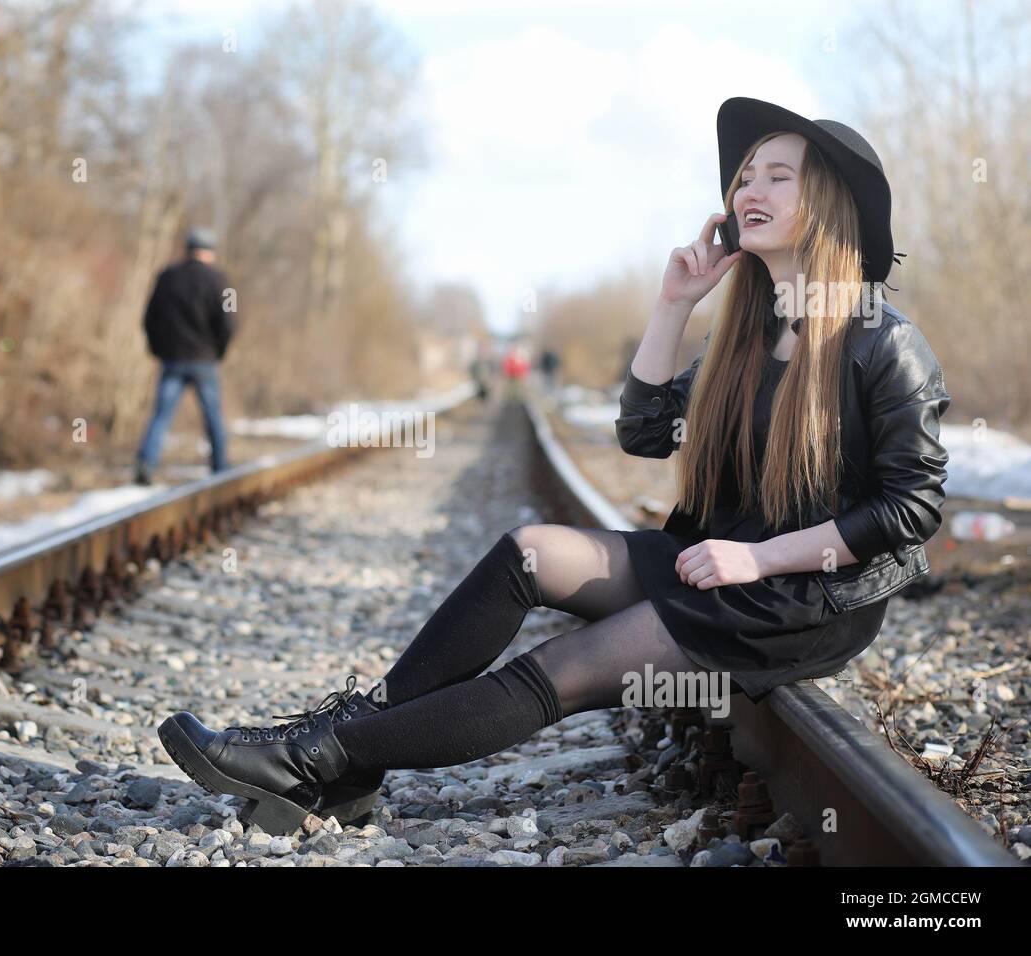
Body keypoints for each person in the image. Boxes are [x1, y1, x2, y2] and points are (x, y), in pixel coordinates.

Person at [157, 97, 952, 836]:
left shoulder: (882, 340)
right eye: (746, 175)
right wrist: (673, 305)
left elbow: (910, 510)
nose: (752, 186)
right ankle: (344, 742)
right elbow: (643, 430)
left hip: (802, 599)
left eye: (781, 175)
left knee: (558, 669)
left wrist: (759, 557)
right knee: (527, 552)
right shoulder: (745, 338)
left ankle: (316, 761)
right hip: (720, 564)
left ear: (833, 202)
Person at [135, 228, 237, 485]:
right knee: (213, 415)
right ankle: (220, 466)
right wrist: (220, 350)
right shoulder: (220, 280)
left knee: (161, 415)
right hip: (205, 359)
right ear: (210, 252)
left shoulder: (167, 278)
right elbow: (229, 322)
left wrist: (158, 349)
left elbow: (149, 318)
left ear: (188, 249)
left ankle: (146, 462)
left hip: (172, 358)